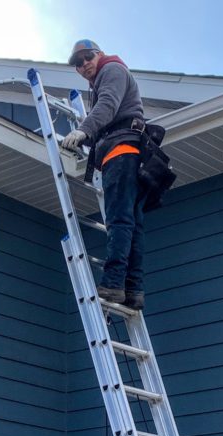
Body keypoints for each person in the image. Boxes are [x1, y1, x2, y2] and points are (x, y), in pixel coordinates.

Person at [61, 38, 147, 310]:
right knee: (132, 223)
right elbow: (107, 118)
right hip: (129, 152)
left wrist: (83, 129)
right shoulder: (105, 77)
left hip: (121, 152)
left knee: (119, 219)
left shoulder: (111, 70)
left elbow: (107, 106)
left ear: (99, 54)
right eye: (78, 62)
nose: (84, 64)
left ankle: (113, 283)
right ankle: (133, 290)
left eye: (87, 57)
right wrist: (87, 138)